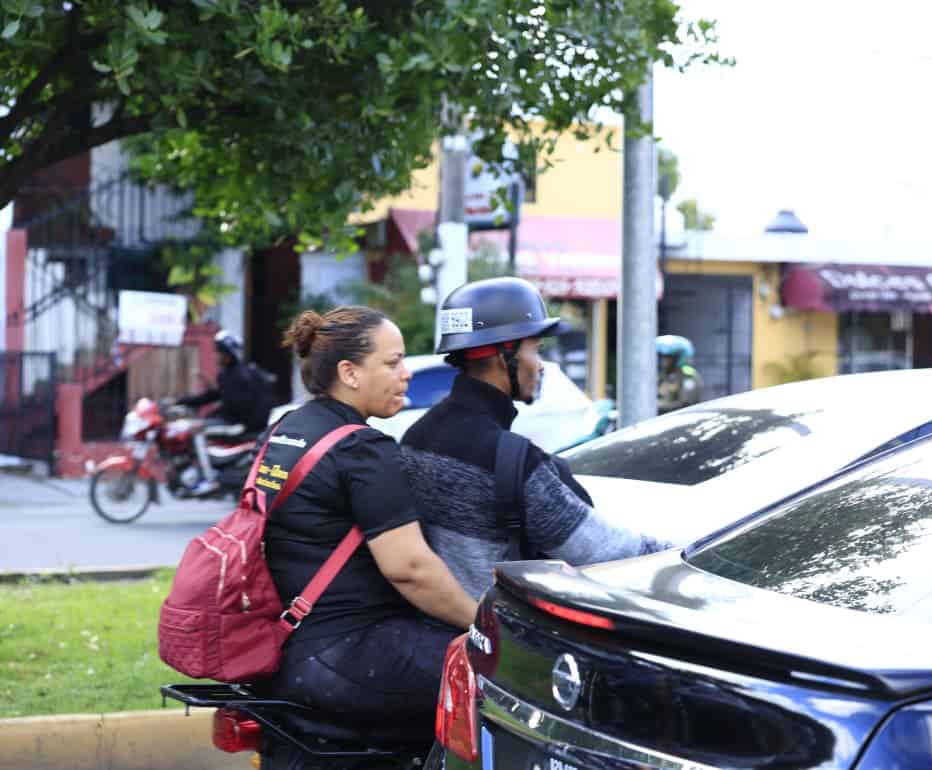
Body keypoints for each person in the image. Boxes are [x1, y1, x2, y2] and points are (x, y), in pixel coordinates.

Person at [260, 306, 477, 738]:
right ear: (350, 372)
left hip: (288, 645)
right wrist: (482, 624)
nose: (406, 373)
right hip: (350, 653)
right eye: (392, 362)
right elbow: (410, 570)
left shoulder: (288, 429)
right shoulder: (363, 449)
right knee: (507, 677)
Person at [400, 277, 673, 600]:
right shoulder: (512, 460)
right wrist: (689, 555)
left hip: (437, 624)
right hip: (493, 635)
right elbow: (610, 551)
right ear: (505, 356)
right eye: (535, 349)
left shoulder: (416, 437)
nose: (541, 366)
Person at [177, 329, 278, 495]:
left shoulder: (240, 375)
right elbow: (213, 396)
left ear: (229, 354)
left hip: (239, 424)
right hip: (231, 420)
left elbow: (235, 405)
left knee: (196, 430)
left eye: (220, 352)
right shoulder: (227, 374)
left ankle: (209, 479)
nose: (216, 356)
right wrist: (183, 401)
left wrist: (213, 413)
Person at [656, 334, 702, 414]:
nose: (664, 361)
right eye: (662, 357)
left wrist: (659, 406)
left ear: (678, 357)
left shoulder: (688, 376)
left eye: (668, 357)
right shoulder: (663, 375)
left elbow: (686, 403)